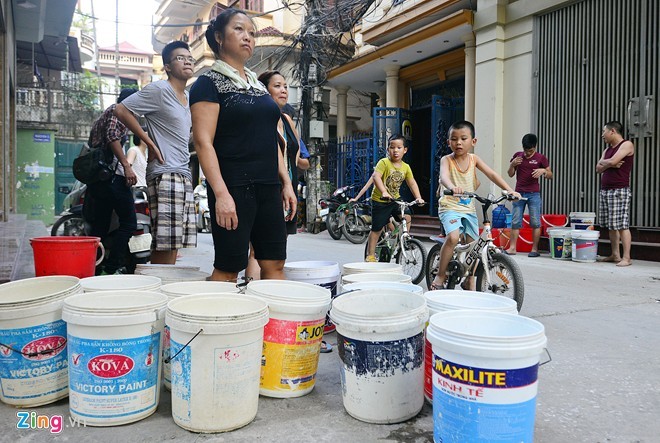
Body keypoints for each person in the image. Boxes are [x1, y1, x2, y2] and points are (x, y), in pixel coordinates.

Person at [189, 9, 297, 282]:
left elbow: (271, 138)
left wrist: (285, 182)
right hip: (234, 188)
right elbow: (203, 143)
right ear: (218, 37)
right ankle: (213, 323)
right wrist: (221, 195)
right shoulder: (207, 83)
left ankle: (274, 324)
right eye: (239, 30)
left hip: (268, 188)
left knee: (274, 263)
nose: (248, 37)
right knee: (228, 268)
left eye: (252, 32)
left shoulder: (259, 88)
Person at [114, 41, 197, 265]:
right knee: (165, 242)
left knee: (174, 241)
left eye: (190, 58)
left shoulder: (188, 98)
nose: (188, 60)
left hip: (183, 173)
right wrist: (149, 142)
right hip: (165, 173)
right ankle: (157, 288)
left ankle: (163, 286)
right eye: (180, 57)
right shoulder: (160, 90)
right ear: (168, 67)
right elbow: (121, 109)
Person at [430, 121, 521, 291]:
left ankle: (469, 278)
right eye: (454, 139)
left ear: (473, 141)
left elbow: (492, 174)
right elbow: (444, 177)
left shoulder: (474, 159)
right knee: (453, 238)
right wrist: (452, 187)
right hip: (450, 205)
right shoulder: (446, 160)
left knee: (475, 245)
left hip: (468, 208)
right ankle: (440, 275)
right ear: (448, 142)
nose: (458, 142)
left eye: (463, 138)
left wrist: (510, 190)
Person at [85, 88, 139, 275]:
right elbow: (112, 137)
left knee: (100, 225)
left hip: (99, 180)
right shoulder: (118, 111)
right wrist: (126, 165)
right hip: (112, 178)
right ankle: (113, 266)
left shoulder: (106, 113)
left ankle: (94, 267)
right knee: (129, 223)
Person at [364, 135, 424, 263]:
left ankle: (402, 239)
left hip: (395, 199)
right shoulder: (384, 162)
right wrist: (384, 191)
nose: (395, 150)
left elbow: (412, 183)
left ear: (405, 150)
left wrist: (418, 198)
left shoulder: (406, 167)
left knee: (407, 217)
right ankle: (370, 254)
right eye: (392, 147)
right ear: (388, 149)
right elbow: (376, 177)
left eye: (399, 147)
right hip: (380, 200)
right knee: (377, 228)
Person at [506, 133, 553, 257]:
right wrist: (512, 164)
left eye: (530, 151)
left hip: (534, 194)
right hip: (519, 193)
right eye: (525, 150)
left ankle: (534, 249)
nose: (527, 153)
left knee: (535, 222)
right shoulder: (518, 156)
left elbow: (550, 175)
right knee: (515, 221)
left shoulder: (541, 158)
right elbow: (510, 174)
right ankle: (512, 248)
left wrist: (544, 171)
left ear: (535, 147)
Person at [596, 121, 634, 267]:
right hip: (605, 189)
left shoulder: (626, 145)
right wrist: (609, 163)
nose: (602, 135)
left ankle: (627, 257)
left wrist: (607, 163)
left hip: (619, 190)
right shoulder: (607, 150)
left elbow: (612, 161)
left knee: (622, 225)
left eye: (604, 131)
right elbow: (598, 168)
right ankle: (615, 254)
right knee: (611, 225)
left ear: (612, 131)